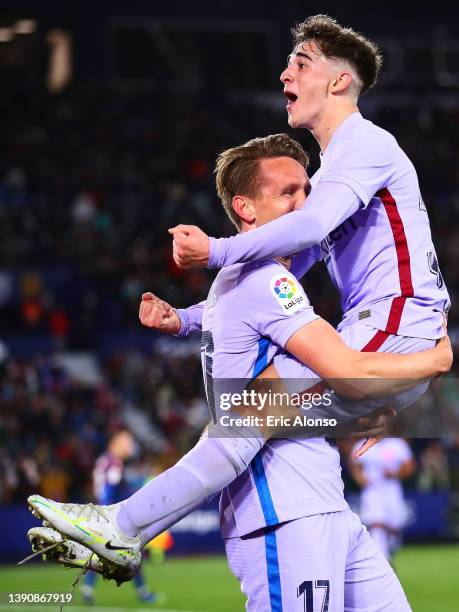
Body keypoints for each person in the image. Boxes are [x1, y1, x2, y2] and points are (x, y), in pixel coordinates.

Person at [27, 135, 452, 610]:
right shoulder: (263, 278)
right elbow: (343, 368)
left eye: (307, 190)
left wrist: (180, 317)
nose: (306, 204)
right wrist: (433, 361)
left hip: (326, 502)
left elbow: (237, 324)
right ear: (245, 208)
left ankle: (122, 526)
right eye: (287, 192)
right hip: (283, 513)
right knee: (254, 413)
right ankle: (122, 526)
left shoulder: (249, 277)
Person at [79, 429, 157, 605]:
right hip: (111, 515)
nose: (130, 447)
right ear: (116, 442)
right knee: (131, 552)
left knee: (107, 553)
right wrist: (109, 514)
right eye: (127, 442)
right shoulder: (114, 463)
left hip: (102, 512)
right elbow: (110, 492)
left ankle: (88, 589)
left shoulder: (104, 460)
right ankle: (143, 593)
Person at [350, 437, 416, 563]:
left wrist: (395, 474)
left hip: (392, 492)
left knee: (394, 529)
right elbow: (354, 465)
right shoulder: (361, 444)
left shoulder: (398, 444)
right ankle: (384, 562)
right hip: (372, 492)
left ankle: (389, 552)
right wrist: (360, 478)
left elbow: (409, 467)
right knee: (377, 525)